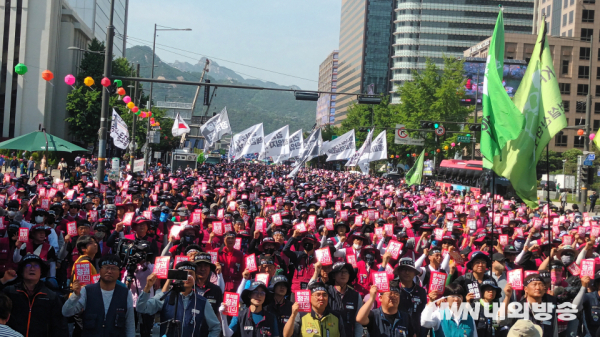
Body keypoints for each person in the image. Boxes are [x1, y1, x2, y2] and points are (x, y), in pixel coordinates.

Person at [136, 261, 220, 337]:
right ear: (177, 277)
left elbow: (215, 326)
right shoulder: (165, 297)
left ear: (195, 278)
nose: (188, 277)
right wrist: (147, 287)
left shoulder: (202, 302)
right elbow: (141, 308)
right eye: (184, 274)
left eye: (191, 274)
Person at [62, 254, 135, 337]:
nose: (109, 271)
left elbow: (130, 325)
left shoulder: (125, 293)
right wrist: (75, 295)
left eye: (113, 269)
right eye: (106, 268)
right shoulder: (87, 291)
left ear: (119, 273)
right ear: (100, 271)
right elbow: (66, 312)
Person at [2, 254, 67, 337]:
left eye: (36, 266)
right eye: (28, 265)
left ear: (41, 272)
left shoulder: (51, 296)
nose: (32, 268)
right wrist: (3, 281)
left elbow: (60, 327)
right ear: (22, 271)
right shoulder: (9, 292)